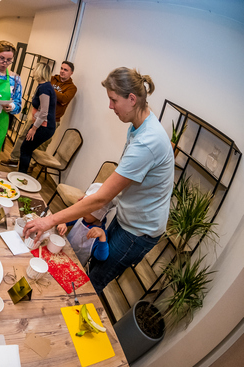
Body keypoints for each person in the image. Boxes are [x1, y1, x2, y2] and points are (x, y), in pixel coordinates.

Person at [24, 67, 174, 294]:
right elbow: (122, 180)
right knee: (95, 263)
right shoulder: (138, 126)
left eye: (114, 100)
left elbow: (103, 198)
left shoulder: (147, 142)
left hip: (139, 230)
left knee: (93, 281)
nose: (110, 106)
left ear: (132, 99)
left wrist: (50, 221)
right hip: (129, 217)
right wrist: (94, 197)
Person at [1, 61, 78, 168]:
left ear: (71, 73)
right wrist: (49, 90)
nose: (62, 71)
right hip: (36, 115)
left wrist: (48, 89)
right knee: (24, 135)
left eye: (66, 70)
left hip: (52, 120)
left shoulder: (71, 87)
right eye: (61, 68)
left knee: (42, 144)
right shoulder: (52, 79)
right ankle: (14, 159)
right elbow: (43, 91)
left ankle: (31, 166)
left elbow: (64, 99)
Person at [56, 183, 112, 267]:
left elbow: (101, 257)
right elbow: (69, 219)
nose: (83, 213)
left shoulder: (100, 234)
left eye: (87, 211)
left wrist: (102, 236)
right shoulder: (84, 218)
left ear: (98, 214)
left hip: (74, 266)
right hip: (61, 253)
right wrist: (63, 223)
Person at [18, 63, 56, 174]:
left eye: (35, 69)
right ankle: (21, 176)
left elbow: (44, 112)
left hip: (43, 127)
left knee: (25, 149)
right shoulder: (43, 86)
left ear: (40, 71)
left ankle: (21, 177)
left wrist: (33, 129)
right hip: (41, 125)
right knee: (26, 149)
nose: (33, 71)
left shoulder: (44, 88)